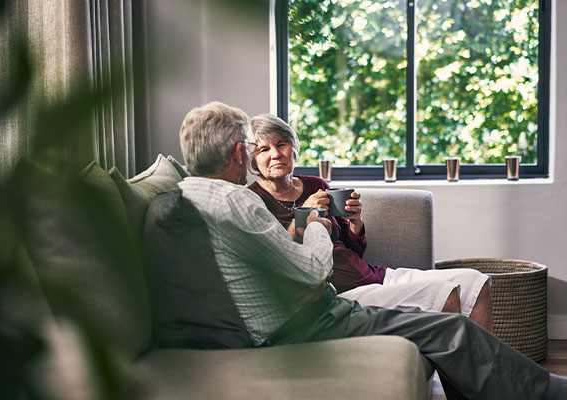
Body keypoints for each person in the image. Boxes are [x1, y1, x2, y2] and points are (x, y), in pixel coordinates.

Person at [173, 100, 564, 399]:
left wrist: (349, 224)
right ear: (242, 155)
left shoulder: (180, 199)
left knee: (464, 300)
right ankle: (545, 391)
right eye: (256, 147)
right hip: (312, 312)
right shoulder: (241, 201)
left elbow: (325, 254)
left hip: (315, 303)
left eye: (282, 145)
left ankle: (534, 388)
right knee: (453, 326)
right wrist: (313, 224)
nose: (273, 154)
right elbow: (311, 272)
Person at [247, 113, 494, 332]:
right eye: (264, 150)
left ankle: (487, 381)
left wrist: (355, 222)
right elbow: (278, 258)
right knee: (445, 294)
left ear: (293, 147)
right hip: (339, 292)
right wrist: (304, 214)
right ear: (253, 160)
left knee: (476, 281)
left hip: (373, 275)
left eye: (281, 144)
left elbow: (351, 249)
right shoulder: (253, 200)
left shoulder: (316, 185)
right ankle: (467, 384)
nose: (276, 154)